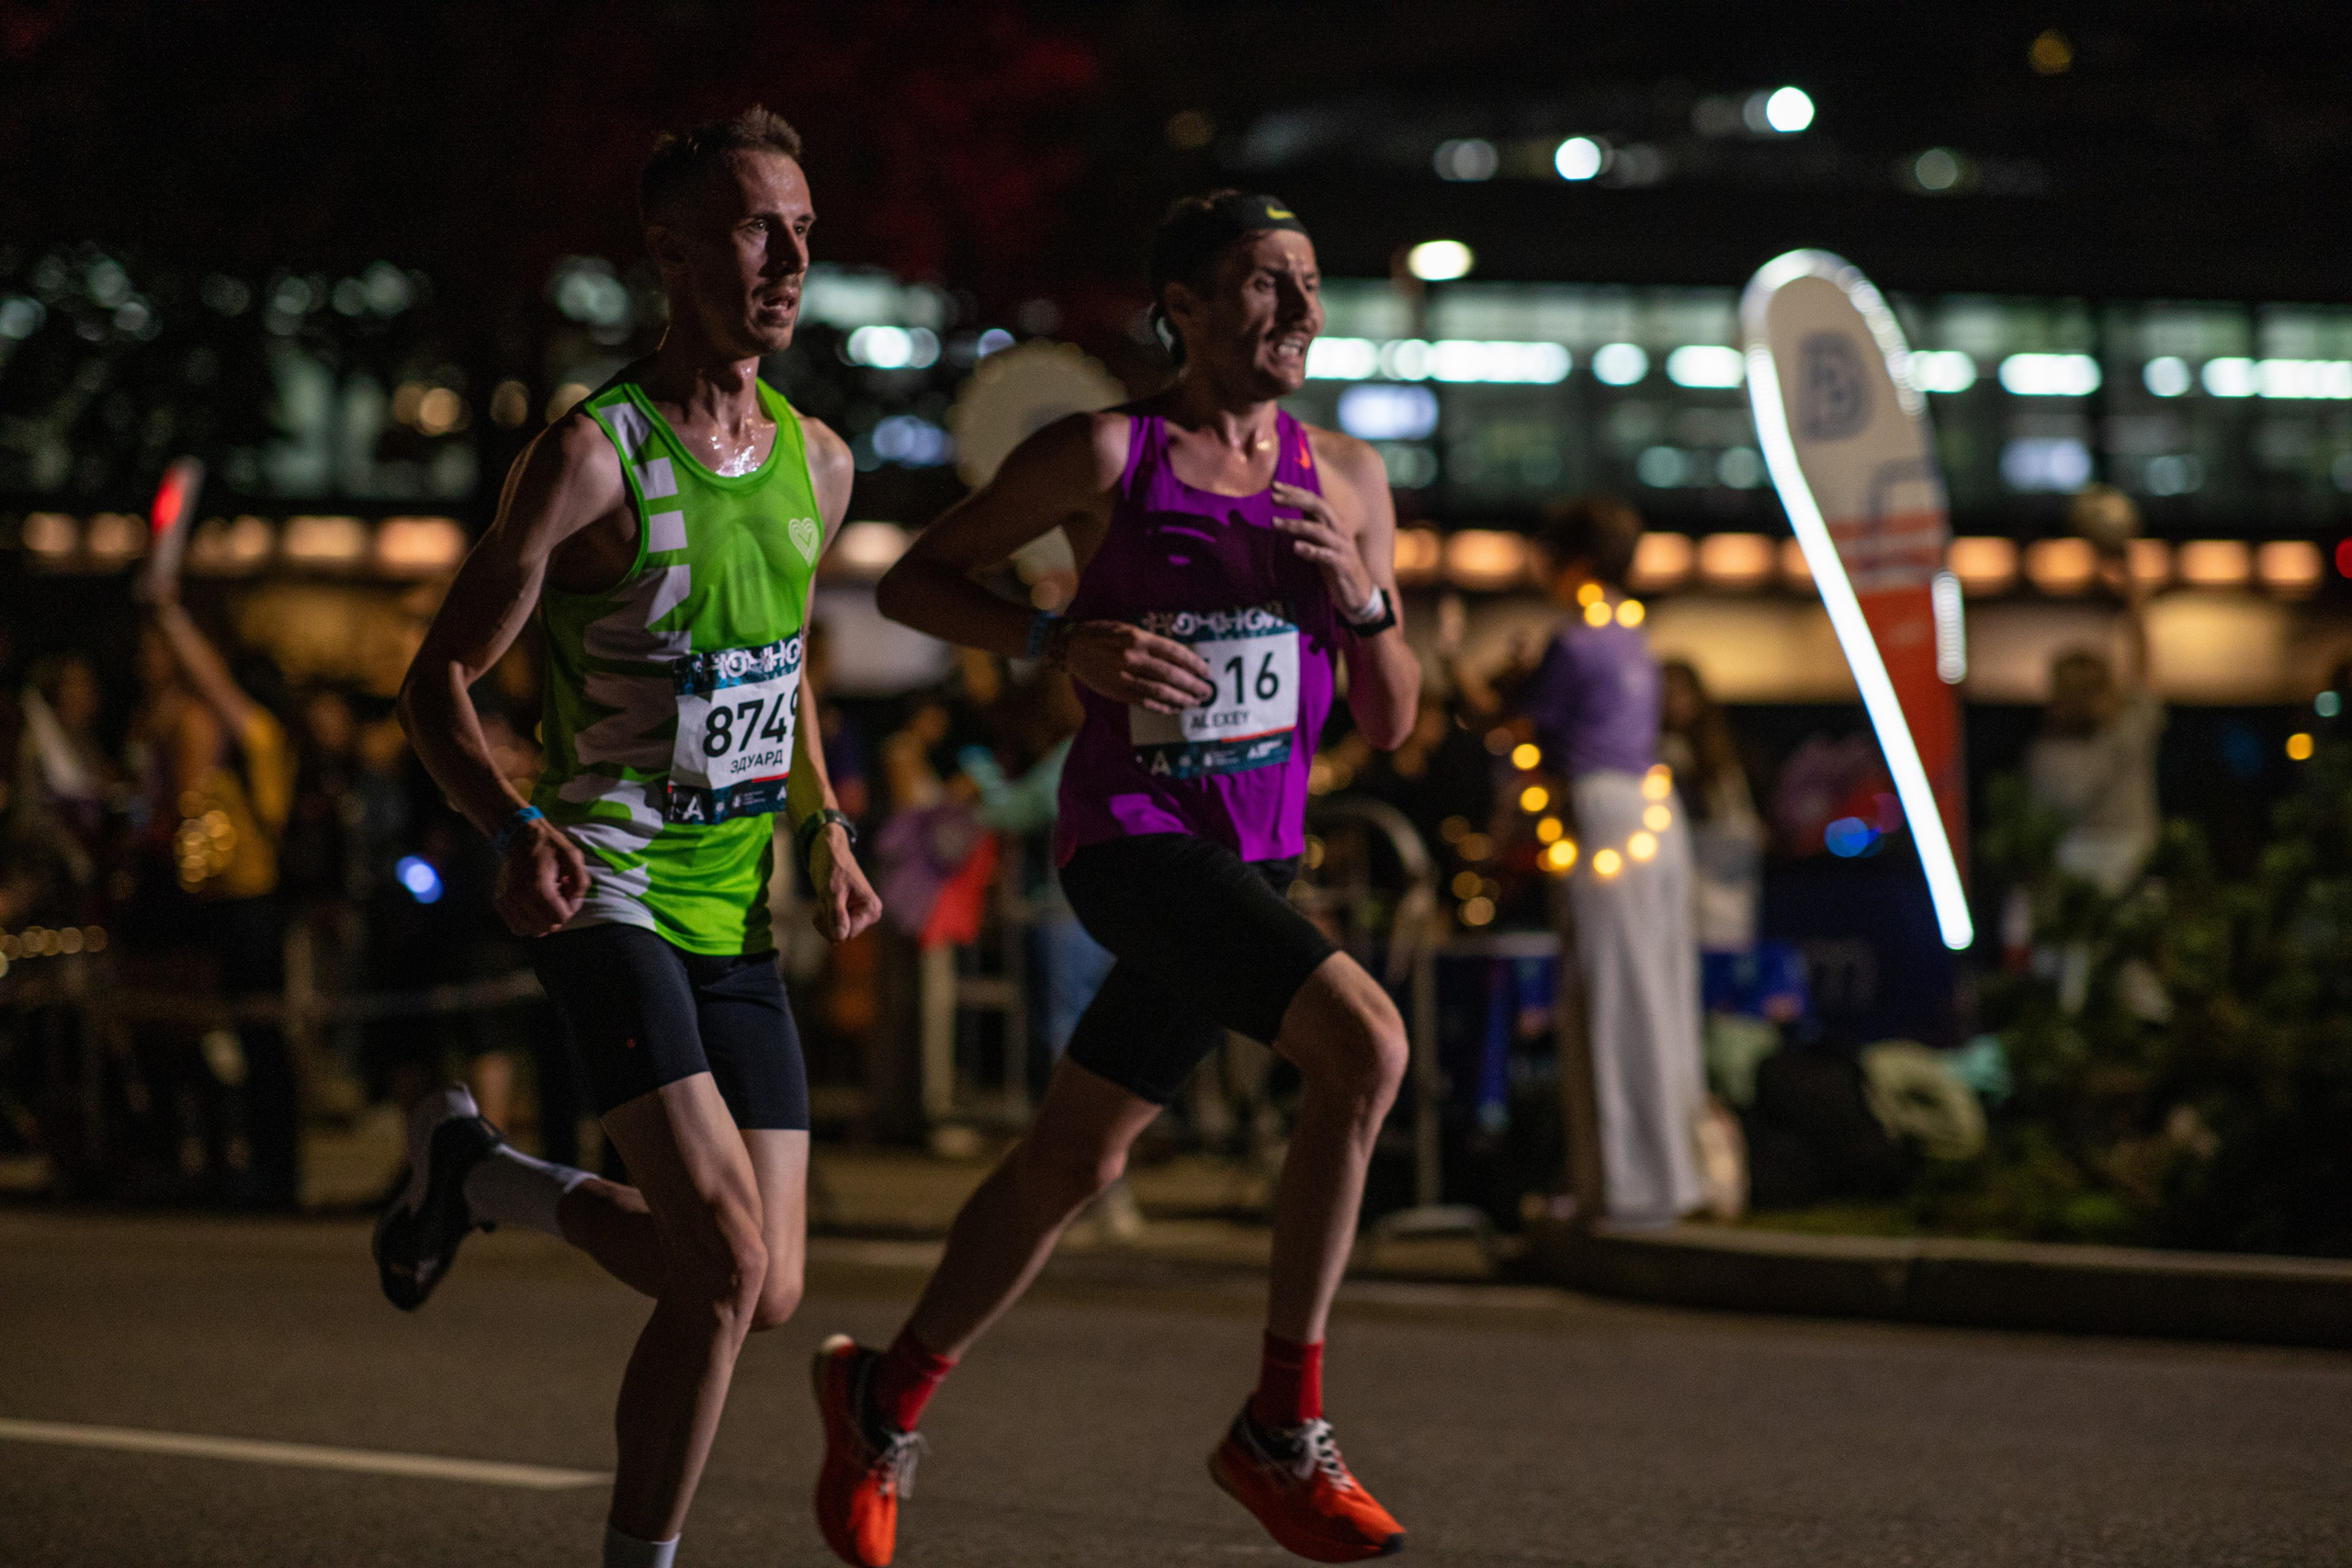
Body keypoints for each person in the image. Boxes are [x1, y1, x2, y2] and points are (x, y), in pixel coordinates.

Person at [819, 189, 1420, 1567]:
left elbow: (1389, 718)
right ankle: (1281, 1426)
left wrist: (1360, 593)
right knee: (1367, 1046)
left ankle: (880, 1394)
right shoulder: (1106, 451)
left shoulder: (1348, 478)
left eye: (1310, 281)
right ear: (1185, 310)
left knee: (1075, 1158)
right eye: (1264, 282)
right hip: (1136, 841)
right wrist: (1055, 641)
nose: (1300, 308)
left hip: (1255, 858)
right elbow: (914, 583)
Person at [378, 107, 881, 1568]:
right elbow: (435, 683)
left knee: (763, 1285)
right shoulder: (591, 459)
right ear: (669, 251)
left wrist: (829, 826)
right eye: (755, 228)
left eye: (803, 230)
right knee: (720, 1262)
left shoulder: (819, 462)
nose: (788, 259)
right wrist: (514, 824)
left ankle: (477, 1176)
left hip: (735, 909)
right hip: (609, 886)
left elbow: (779, 667)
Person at [1516, 496, 1706, 1227]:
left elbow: (1523, 728)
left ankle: (1619, 1186)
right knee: (1659, 992)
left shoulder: (1574, 642)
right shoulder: (1634, 633)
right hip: (1654, 815)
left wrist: (1483, 683)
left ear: (1575, 561)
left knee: (1607, 998)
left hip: (1600, 818)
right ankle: (1671, 1175)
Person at [127, 576, 302, 1210]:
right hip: (207, 898)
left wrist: (171, 617)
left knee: (260, 1037)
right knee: (202, 1034)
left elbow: (215, 689)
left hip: (251, 898)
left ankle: (275, 1172)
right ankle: (230, 1161)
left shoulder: (259, 734)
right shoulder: (182, 725)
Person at [2026, 557, 2161, 897]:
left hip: (2127, 867)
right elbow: (2143, 670)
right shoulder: (2049, 756)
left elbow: (2142, 673)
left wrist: (2134, 594)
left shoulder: (2126, 730)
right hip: (2084, 872)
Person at [1657, 660, 1765, 959]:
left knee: (1724, 958)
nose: (1675, 703)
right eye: (1666, 694)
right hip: (1671, 877)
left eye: (1682, 693)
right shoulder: (1651, 755)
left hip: (1724, 881)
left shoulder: (1720, 753)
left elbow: (1739, 819)